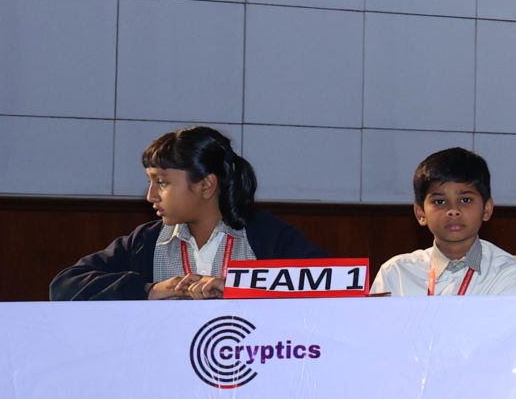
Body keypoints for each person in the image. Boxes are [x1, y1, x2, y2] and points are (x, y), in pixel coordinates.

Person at [51, 127, 322, 300]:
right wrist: (148, 290)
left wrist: (238, 290)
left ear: (206, 185)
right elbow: (64, 285)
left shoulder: (268, 236)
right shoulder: (144, 242)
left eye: (162, 182)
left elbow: (329, 286)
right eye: (150, 182)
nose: (150, 196)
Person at [372, 148, 516, 296]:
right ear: (421, 213)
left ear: (486, 209)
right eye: (440, 202)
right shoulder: (396, 272)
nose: (453, 210)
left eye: (465, 200)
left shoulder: (507, 273)